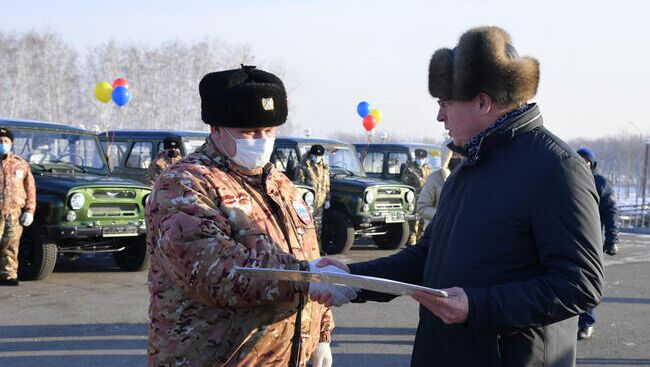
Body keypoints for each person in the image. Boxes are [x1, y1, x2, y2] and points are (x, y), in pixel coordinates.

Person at [311, 26, 604, 366]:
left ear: (483, 102)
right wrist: (354, 279)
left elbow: (580, 283)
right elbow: (427, 257)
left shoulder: (556, 168)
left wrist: (477, 306)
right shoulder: (468, 166)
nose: (440, 115)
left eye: (446, 102)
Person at [145, 65, 337, 367]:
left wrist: (321, 332)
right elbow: (211, 271)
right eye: (249, 131)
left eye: (269, 131)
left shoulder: (280, 184)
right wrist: (305, 277)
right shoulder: (184, 183)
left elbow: (307, 252)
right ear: (216, 129)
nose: (261, 140)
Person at [576, 147, 619, 340]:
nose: (583, 164)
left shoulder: (600, 184)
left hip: (591, 243)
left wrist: (612, 240)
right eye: (579, 160)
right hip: (566, 240)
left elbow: (610, 214)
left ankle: (586, 322)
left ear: (592, 164)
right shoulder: (565, 178)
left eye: (587, 161)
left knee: (587, 282)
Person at [0, 128, 36, 286]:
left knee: (11, 245)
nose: (3, 144)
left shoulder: (20, 164)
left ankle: (8, 276)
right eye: (0, 141)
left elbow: (30, 189)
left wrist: (30, 210)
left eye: (5, 141)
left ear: (11, 143)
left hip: (14, 213)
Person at [415, 142, 462, 227]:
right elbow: (422, 207)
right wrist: (444, 215)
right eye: (454, 155)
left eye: (460, 154)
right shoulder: (435, 178)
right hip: (440, 230)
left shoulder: (471, 177)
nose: (457, 158)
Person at [295, 144, 330, 244]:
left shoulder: (324, 166)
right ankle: (306, 248)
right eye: (315, 155)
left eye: (320, 156)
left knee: (318, 227)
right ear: (311, 155)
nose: (317, 158)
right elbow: (299, 184)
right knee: (306, 226)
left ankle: (317, 249)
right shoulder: (304, 165)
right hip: (307, 203)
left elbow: (327, 184)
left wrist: (327, 199)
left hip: (319, 203)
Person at [401, 148, 432, 244]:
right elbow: (405, 183)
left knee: (423, 219)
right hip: (413, 198)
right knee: (414, 219)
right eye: (419, 157)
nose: (421, 159)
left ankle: (420, 237)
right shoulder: (409, 168)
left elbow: (430, 182)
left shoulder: (428, 168)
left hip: (425, 198)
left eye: (423, 158)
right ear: (416, 157)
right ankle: (411, 238)